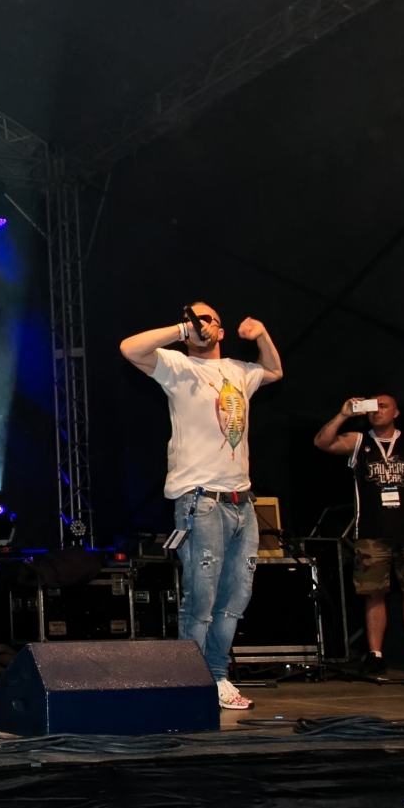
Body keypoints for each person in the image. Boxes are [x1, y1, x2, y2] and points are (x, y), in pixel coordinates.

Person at [119, 302, 283, 711]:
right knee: (202, 597)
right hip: (200, 499)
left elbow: (275, 371)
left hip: (242, 501)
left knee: (236, 597)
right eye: (192, 319)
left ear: (221, 330)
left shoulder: (238, 370)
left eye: (205, 319)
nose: (198, 324)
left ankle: (217, 675)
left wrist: (262, 334)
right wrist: (181, 330)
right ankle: (192, 680)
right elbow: (129, 348)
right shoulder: (178, 366)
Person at [313, 394, 404, 675]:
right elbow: (322, 443)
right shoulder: (360, 441)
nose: (377, 411)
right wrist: (344, 414)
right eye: (372, 407)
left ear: (396, 412)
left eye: (383, 406)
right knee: (374, 592)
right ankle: (375, 654)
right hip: (372, 531)